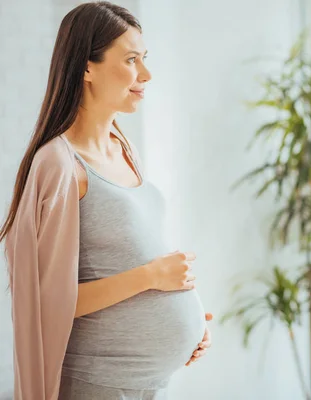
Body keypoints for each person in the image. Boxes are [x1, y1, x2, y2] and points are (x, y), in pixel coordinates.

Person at [0, 2, 212, 399]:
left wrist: (193, 321)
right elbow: (47, 302)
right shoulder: (58, 164)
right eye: (131, 60)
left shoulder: (122, 145)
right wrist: (152, 279)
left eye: (144, 59)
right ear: (87, 67)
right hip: (99, 385)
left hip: (143, 383)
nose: (146, 75)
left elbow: (128, 253)